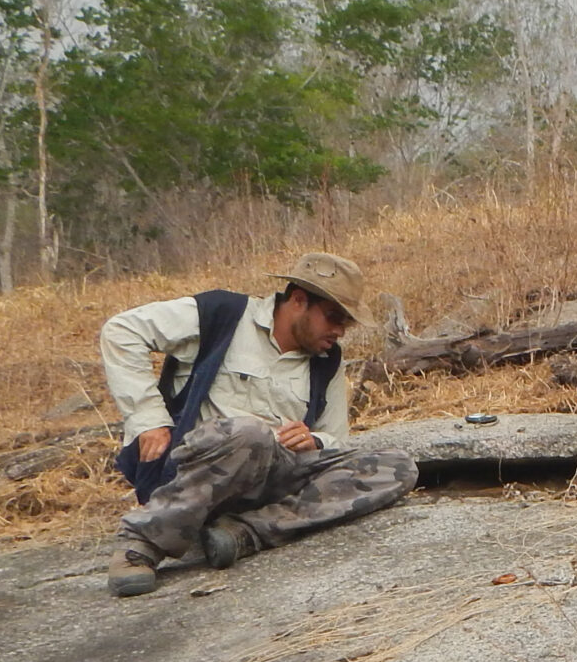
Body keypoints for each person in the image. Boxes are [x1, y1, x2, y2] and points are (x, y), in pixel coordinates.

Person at [99, 251, 418, 597]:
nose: (339, 331)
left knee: (398, 466)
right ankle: (142, 544)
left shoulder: (327, 361)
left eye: (346, 323)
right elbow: (121, 331)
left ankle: (243, 532)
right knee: (251, 434)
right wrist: (149, 420)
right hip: (198, 471)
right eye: (333, 317)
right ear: (299, 300)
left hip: (272, 479)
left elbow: (337, 439)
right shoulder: (221, 314)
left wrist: (315, 440)